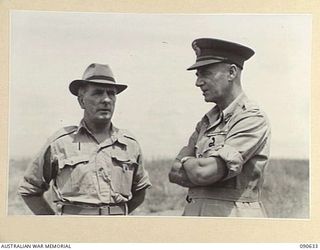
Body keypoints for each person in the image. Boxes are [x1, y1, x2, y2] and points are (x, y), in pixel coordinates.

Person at [18, 63, 151, 215]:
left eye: (111, 93)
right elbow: (29, 189)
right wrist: (53, 225)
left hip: (116, 228)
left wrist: (114, 213)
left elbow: (140, 191)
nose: (106, 99)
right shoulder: (61, 143)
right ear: (81, 101)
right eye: (97, 93)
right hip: (74, 229)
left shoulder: (129, 144)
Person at [168, 38, 271, 217]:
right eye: (197, 75)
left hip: (233, 219)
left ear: (231, 72)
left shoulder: (252, 118)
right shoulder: (206, 121)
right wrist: (194, 167)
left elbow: (203, 173)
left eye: (205, 73)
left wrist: (185, 161)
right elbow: (174, 173)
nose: (198, 82)